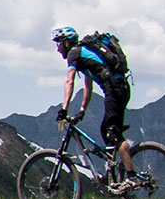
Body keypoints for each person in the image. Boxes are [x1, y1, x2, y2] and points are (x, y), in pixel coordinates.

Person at [52, 27, 137, 185]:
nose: (58, 49)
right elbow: (88, 87)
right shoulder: (84, 53)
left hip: (115, 89)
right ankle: (111, 176)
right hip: (121, 87)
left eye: (59, 45)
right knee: (106, 130)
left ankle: (131, 177)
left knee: (113, 133)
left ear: (66, 43)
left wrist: (64, 109)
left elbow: (69, 81)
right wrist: (82, 110)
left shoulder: (74, 54)